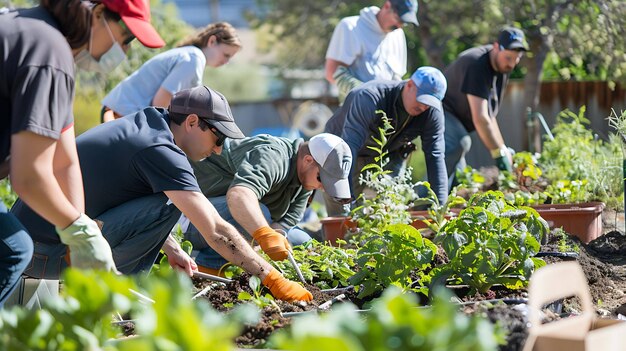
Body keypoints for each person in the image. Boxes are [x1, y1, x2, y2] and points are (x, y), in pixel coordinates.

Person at [12, 86, 312, 302]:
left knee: (168, 200)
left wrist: (172, 249)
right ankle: (108, 296)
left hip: (32, 244)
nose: (218, 149)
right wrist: (271, 278)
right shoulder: (162, 152)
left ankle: (107, 289)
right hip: (44, 255)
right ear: (192, 122)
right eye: (217, 137)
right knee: (171, 203)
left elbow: (125, 196)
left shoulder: (150, 124)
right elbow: (217, 230)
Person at [0, 0, 165, 307]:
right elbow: (29, 176)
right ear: (99, 13)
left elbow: (64, 160)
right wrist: (78, 232)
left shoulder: (37, 34)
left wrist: (80, 232)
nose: (125, 51)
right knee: (11, 250)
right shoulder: (48, 52)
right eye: (126, 37)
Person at [182, 133, 352, 274]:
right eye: (322, 179)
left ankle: (236, 265)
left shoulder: (305, 181)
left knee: (300, 241)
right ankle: (205, 269)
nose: (322, 187)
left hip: (218, 218)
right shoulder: (274, 155)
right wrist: (264, 237)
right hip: (186, 213)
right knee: (259, 213)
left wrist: (270, 250)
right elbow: (239, 197)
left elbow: (281, 227)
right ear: (308, 160)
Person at [324, 66, 448, 216]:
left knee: (386, 209)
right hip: (343, 150)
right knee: (343, 212)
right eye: (421, 99)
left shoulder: (432, 111)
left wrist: (441, 208)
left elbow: (435, 155)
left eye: (429, 103)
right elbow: (348, 148)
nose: (423, 106)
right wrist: (347, 200)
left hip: (387, 153)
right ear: (409, 85)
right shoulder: (369, 97)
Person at [101, 22, 241, 122]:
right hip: (120, 115)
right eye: (226, 55)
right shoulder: (193, 59)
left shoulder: (189, 55)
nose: (226, 62)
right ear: (212, 41)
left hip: (117, 111)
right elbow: (161, 103)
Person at [442, 27, 528, 187]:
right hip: (441, 110)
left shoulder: (502, 67)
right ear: (496, 47)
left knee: (459, 181)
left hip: (458, 119)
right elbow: (481, 118)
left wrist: (502, 148)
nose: (512, 64)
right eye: (509, 57)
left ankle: (442, 208)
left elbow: (489, 115)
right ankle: (423, 206)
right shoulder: (477, 64)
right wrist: (499, 155)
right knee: (458, 144)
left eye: (517, 59)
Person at [325, 0, 419, 103]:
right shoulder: (350, 26)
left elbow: (396, 78)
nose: (399, 26)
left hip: (385, 112)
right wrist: (365, 93)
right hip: (354, 110)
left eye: (404, 22)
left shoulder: (398, 35)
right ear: (387, 5)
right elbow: (332, 72)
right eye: (398, 19)